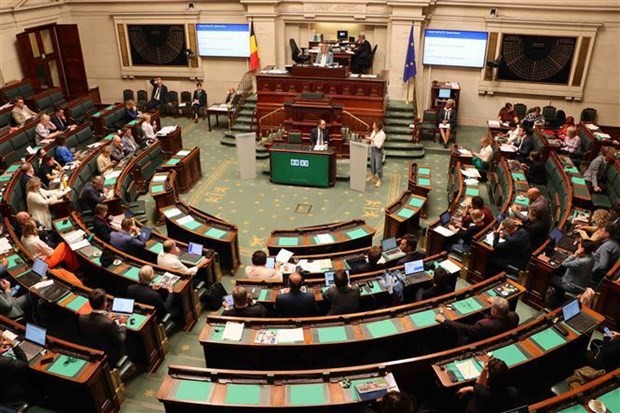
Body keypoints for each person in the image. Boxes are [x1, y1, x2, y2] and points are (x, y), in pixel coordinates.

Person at [435, 297, 518, 345]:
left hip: (477, 342)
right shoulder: (514, 316)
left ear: (495, 312)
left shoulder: (483, 324)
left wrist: (445, 320)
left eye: (492, 307)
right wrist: (495, 303)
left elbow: (465, 329)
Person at [21, 220, 82, 285]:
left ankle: (75, 268)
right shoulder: (35, 241)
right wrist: (58, 252)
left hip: (37, 259)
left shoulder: (23, 237)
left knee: (65, 249)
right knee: (63, 245)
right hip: (44, 262)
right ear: (33, 229)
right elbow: (50, 252)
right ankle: (76, 268)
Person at [78, 288, 127, 366]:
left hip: (94, 350)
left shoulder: (81, 318)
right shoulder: (109, 323)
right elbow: (120, 339)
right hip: (111, 355)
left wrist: (106, 317)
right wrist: (123, 324)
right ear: (105, 303)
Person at [547, 240, 596, 305]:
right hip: (580, 282)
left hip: (571, 285)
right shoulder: (591, 257)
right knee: (559, 272)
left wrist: (575, 255)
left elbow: (564, 263)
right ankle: (558, 298)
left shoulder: (582, 262)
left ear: (582, 249)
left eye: (580, 245)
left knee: (548, 276)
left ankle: (551, 301)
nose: (578, 246)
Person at [0, 331, 29, 405]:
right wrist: (14, 345)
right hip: (9, 398)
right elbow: (24, 364)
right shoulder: (7, 362)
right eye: (2, 339)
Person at [364, 121, 386, 187]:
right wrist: (368, 139)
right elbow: (371, 138)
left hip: (378, 151)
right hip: (372, 149)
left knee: (378, 166)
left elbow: (379, 145)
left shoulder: (383, 135)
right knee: (372, 163)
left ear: (377, 127)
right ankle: (372, 175)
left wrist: (372, 140)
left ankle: (379, 179)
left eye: (374, 125)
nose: (372, 126)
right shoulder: (374, 131)